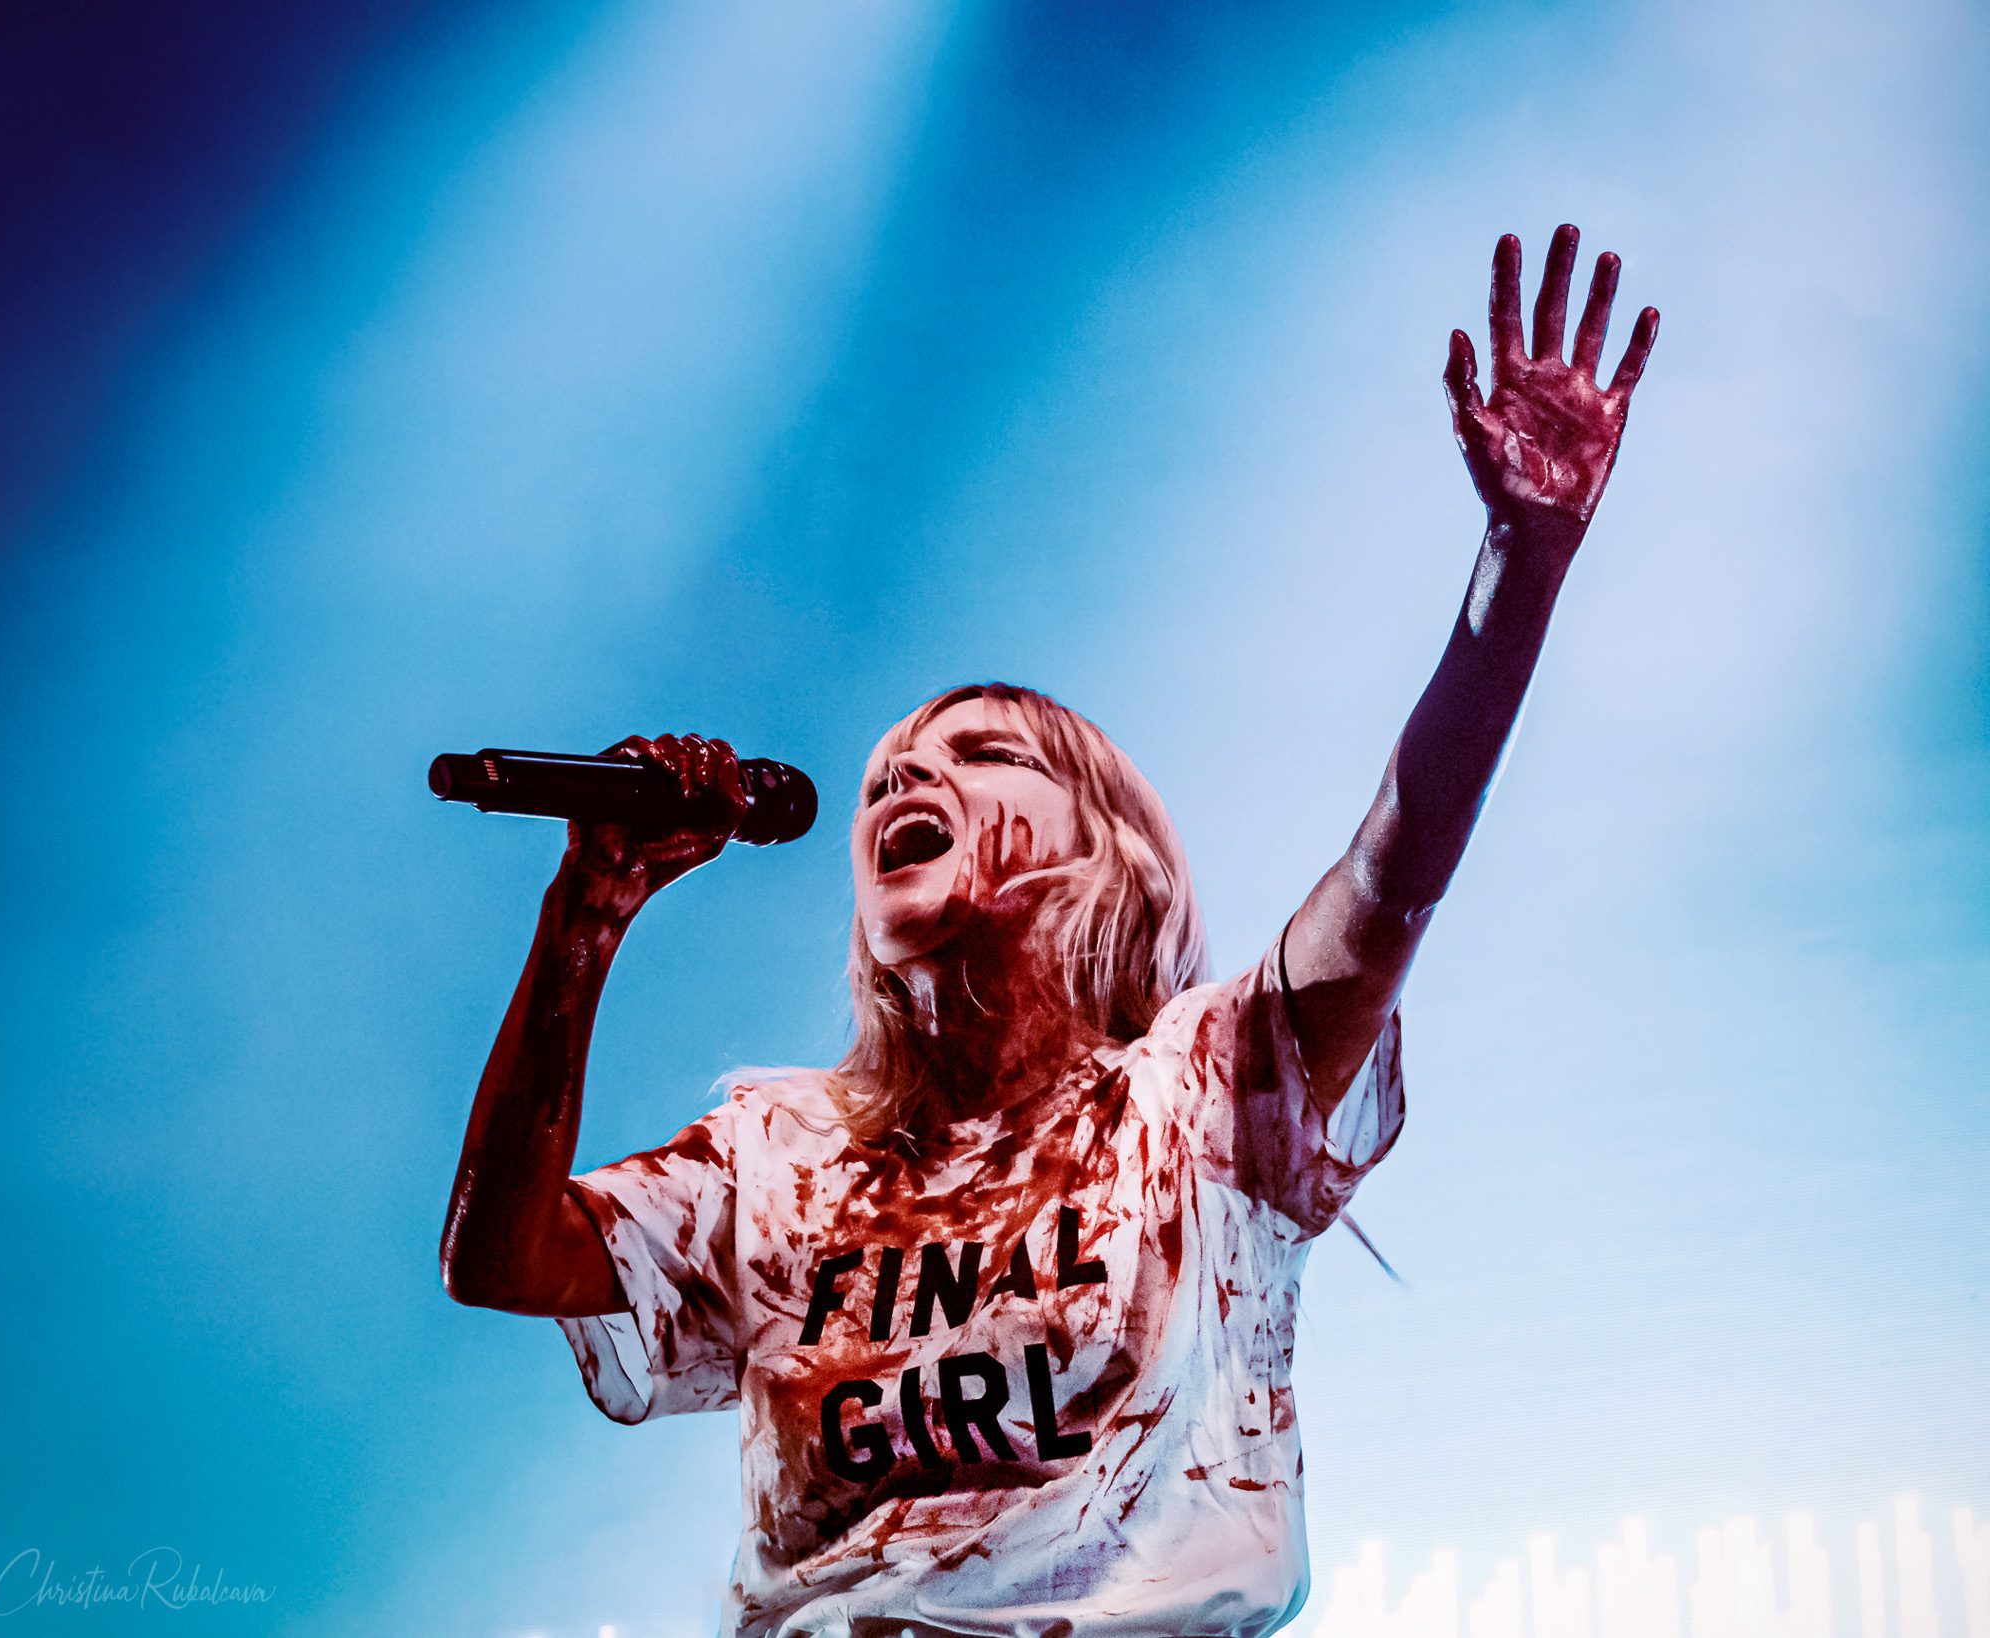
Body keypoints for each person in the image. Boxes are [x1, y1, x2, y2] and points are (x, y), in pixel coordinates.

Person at [440, 225, 1657, 1637]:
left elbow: (1394, 869)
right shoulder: (776, 1156)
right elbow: (500, 1255)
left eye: (982, 754)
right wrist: (584, 916)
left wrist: (1521, 562)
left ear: (1108, 849)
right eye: (895, 763)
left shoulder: (1202, 1096)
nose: (910, 775)